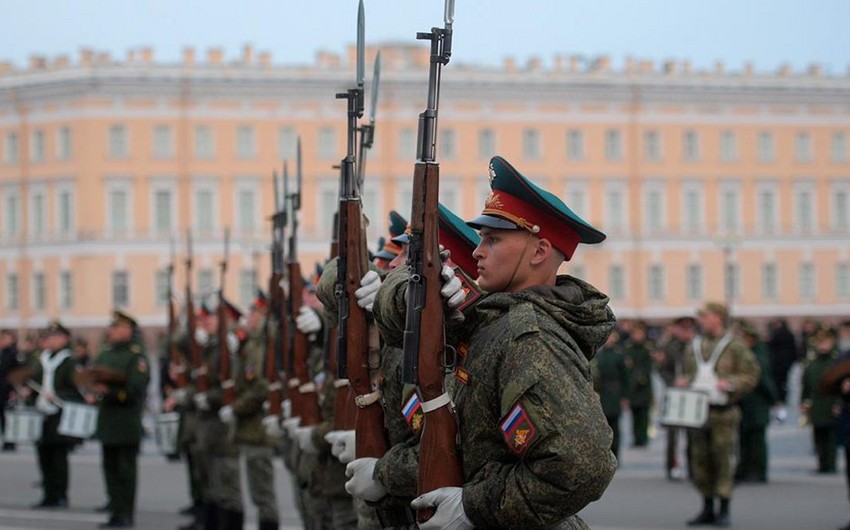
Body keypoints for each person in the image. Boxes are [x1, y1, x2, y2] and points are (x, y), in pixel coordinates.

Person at [363, 156, 617, 529]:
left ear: (539, 252)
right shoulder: (494, 322)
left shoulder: (529, 335)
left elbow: (582, 465)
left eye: (493, 239)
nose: (477, 251)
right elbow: (398, 320)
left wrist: (473, 506)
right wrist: (410, 288)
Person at [678, 302, 759, 527]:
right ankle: (706, 507)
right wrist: (685, 382)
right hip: (697, 412)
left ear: (718, 318)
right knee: (700, 461)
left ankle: (724, 509)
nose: (702, 320)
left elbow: (751, 374)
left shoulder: (734, 346)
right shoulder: (694, 346)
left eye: (706, 316)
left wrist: (732, 384)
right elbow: (688, 373)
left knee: (723, 460)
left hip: (723, 413)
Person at [93, 310, 150, 528]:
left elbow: (136, 388)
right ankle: (115, 510)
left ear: (128, 330)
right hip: (107, 419)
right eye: (112, 327)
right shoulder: (106, 353)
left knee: (125, 471)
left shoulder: (136, 355)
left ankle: (126, 512)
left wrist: (111, 392)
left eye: (117, 327)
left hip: (126, 420)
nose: (113, 331)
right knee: (110, 469)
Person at [29, 321, 84, 508]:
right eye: (48, 337)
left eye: (55, 337)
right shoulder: (41, 358)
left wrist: (58, 396)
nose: (50, 341)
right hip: (42, 412)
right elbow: (34, 381)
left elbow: (77, 389)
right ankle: (48, 493)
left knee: (59, 457)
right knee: (43, 454)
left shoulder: (70, 361)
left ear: (65, 338)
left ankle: (61, 494)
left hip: (60, 413)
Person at [735, 320, 778, 483]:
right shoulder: (750, 353)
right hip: (746, 402)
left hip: (757, 403)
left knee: (756, 439)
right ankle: (745, 468)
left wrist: (773, 399)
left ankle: (758, 470)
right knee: (744, 438)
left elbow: (764, 380)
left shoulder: (757, 355)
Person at [653, 316, 696, 479]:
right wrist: (673, 382)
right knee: (673, 433)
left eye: (689, 329)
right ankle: (671, 466)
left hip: (692, 392)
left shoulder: (697, 346)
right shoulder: (669, 347)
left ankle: (693, 468)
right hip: (674, 393)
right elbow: (662, 368)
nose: (686, 332)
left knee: (693, 432)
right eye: (683, 329)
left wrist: (690, 380)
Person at [800, 327, 840, 474]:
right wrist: (804, 401)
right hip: (816, 403)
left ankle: (830, 464)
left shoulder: (836, 361)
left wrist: (839, 404)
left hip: (830, 403)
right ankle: (821, 463)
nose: (822, 345)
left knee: (830, 436)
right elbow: (806, 384)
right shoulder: (812, 362)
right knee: (818, 435)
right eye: (820, 342)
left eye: (825, 342)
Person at [591, 328, 628, 460]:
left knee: (615, 426)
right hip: (601, 393)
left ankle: (616, 454)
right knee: (602, 425)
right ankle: (605, 456)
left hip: (614, 393)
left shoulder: (619, 355)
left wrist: (624, 396)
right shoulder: (598, 355)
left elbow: (625, 377)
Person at [623, 320, 654, 448]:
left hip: (644, 386)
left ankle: (643, 437)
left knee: (644, 414)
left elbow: (648, 367)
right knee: (634, 414)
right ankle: (636, 438)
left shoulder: (647, 348)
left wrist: (641, 377)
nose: (638, 336)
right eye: (636, 334)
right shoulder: (628, 348)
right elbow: (627, 367)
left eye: (640, 334)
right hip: (632, 387)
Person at [0, 329, 25, 451]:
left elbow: (18, 373)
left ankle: (10, 441)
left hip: (8, 390)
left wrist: (15, 390)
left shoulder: (14, 354)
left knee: (8, 417)